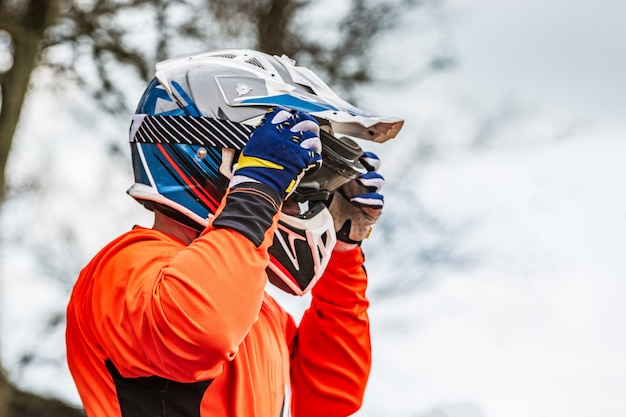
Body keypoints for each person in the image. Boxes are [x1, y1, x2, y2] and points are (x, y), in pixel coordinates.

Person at [65, 49, 404, 417]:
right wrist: (259, 189)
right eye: (292, 180)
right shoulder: (124, 266)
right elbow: (200, 331)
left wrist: (343, 252)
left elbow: (332, 397)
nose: (294, 201)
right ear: (214, 160)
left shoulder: (256, 306)